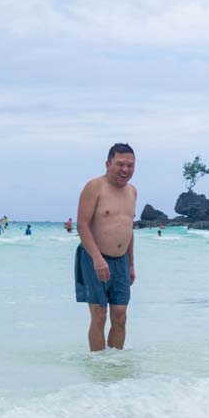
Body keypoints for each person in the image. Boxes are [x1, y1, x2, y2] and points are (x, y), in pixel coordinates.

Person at [75, 143, 137, 351]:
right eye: (120, 164)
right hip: (94, 258)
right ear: (108, 164)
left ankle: (115, 367)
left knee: (120, 315)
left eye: (130, 165)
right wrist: (97, 258)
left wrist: (131, 264)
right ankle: (98, 368)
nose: (125, 170)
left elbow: (128, 229)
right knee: (99, 315)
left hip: (121, 262)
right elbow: (82, 224)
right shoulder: (95, 187)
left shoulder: (132, 192)